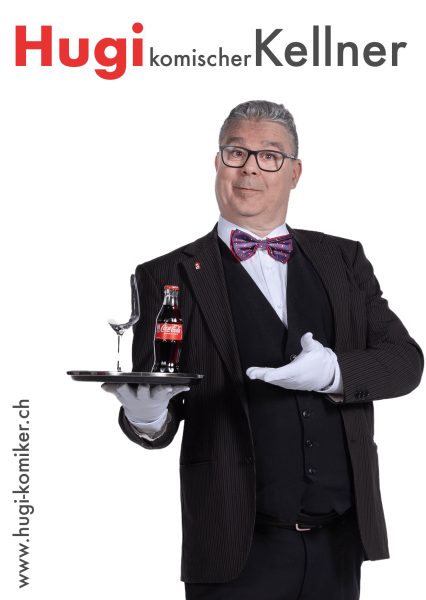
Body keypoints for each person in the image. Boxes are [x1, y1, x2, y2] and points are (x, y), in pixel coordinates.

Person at [102, 100, 423, 599]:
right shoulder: (166, 275)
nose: (250, 168)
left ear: (295, 173)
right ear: (218, 163)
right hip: (233, 550)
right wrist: (147, 417)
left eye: (270, 156)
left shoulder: (344, 258)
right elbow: (156, 400)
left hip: (338, 545)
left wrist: (333, 371)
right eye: (237, 152)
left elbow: (406, 363)